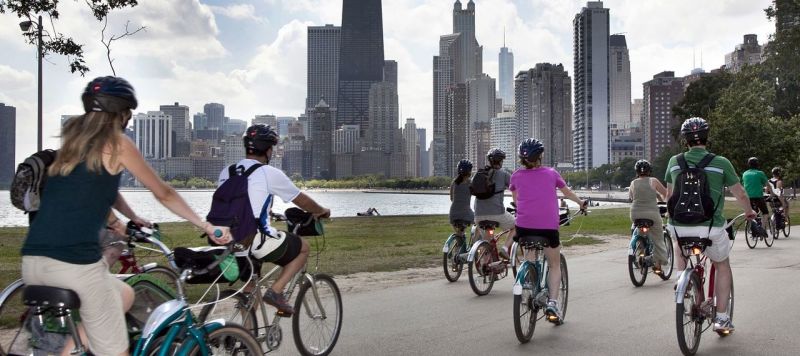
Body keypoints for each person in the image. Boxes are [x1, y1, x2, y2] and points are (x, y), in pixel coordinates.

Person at [21, 76, 231, 356]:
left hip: (33, 262)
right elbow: (164, 192)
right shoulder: (117, 142)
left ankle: (69, 351)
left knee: (124, 294)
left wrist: (129, 218)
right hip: (73, 266)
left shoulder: (73, 146)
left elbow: (97, 192)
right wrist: (205, 225)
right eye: (129, 114)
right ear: (122, 113)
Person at [218, 124, 330, 316]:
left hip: (227, 240)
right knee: (303, 247)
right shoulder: (268, 173)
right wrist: (322, 210)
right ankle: (276, 292)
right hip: (254, 240)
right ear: (269, 150)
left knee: (250, 285)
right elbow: (300, 199)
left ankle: (245, 339)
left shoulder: (227, 171)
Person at [665, 117, 755, 334]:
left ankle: (681, 277)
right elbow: (740, 193)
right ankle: (722, 319)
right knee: (722, 264)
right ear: (707, 137)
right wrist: (749, 212)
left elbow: (669, 196)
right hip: (710, 228)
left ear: (685, 140)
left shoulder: (674, 162)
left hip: (679, 226)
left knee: (679, 241)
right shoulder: (721, 162)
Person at [510, 138, 587, 324]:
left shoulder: (516, 176)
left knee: (528, 248)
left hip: (523, 226)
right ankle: (552, 302)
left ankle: (528, 277)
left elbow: (517, 200)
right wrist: (580, 203)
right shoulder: (551, 173)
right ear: (541, 156)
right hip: (548, 228)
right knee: (554, 264)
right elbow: (566, 192)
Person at [628, 159, 669, 275]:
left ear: (636, 171)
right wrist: (664, 202)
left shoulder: (633, 183)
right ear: (649, 171)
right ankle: (657, 265)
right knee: (658, 238)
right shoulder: (653, 181)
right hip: (651, 213)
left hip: (635, 213)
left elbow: (631, 197)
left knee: (640, 232)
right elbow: (665, 193)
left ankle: (640, 253)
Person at [474, 148, 515, 259]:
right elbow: (516, 186)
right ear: (501, 161)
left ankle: (484, 264)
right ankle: (505, 249)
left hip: (478, 215)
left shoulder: (479, 173)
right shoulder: (504, 174)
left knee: (487, 241)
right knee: (517, 226)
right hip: (497, 213)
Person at [741, 157, 775, 236]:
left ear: (749, 164)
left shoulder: (745, 173)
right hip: (758, 196)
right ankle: (762, 229)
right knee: (765, 212)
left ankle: (752, 228)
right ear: (757, 164)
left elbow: (744, 184)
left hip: (748, 197)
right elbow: (768, 185)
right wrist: (772, 193)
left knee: (751, 213)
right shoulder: (760, 173)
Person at [449, 159, 475, 242]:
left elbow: (451, 198)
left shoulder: (454, 182)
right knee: (479, 222)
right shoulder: (470, 183)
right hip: (466, 213)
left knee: (460, 234)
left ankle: (458, 249)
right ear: (469, 171)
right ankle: (476, 245)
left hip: (453, 214)